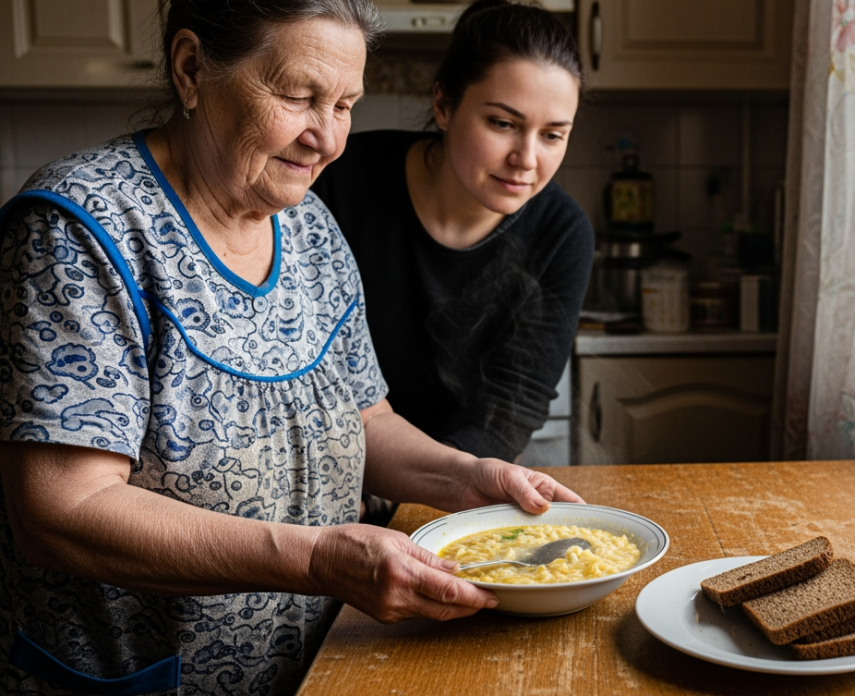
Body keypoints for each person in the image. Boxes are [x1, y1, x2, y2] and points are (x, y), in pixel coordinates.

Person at [0, 1, 581, 694]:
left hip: (313, 668)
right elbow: (63, 511)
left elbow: (365, 420)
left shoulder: (308, 224)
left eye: (345, 106)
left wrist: (466, 477)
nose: (327, 140)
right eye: (300, 97)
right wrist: (314, 560)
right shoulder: (79, 229)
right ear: (191, 69)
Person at [312, 0, 593, 469]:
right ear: (443, 105)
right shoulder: (337, 184)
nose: (526, 159)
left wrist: (434, 484)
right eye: (503, 124)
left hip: (458, 475)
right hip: (331, 467)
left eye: (552, 135)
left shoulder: (562, 233)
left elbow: (513, 406)